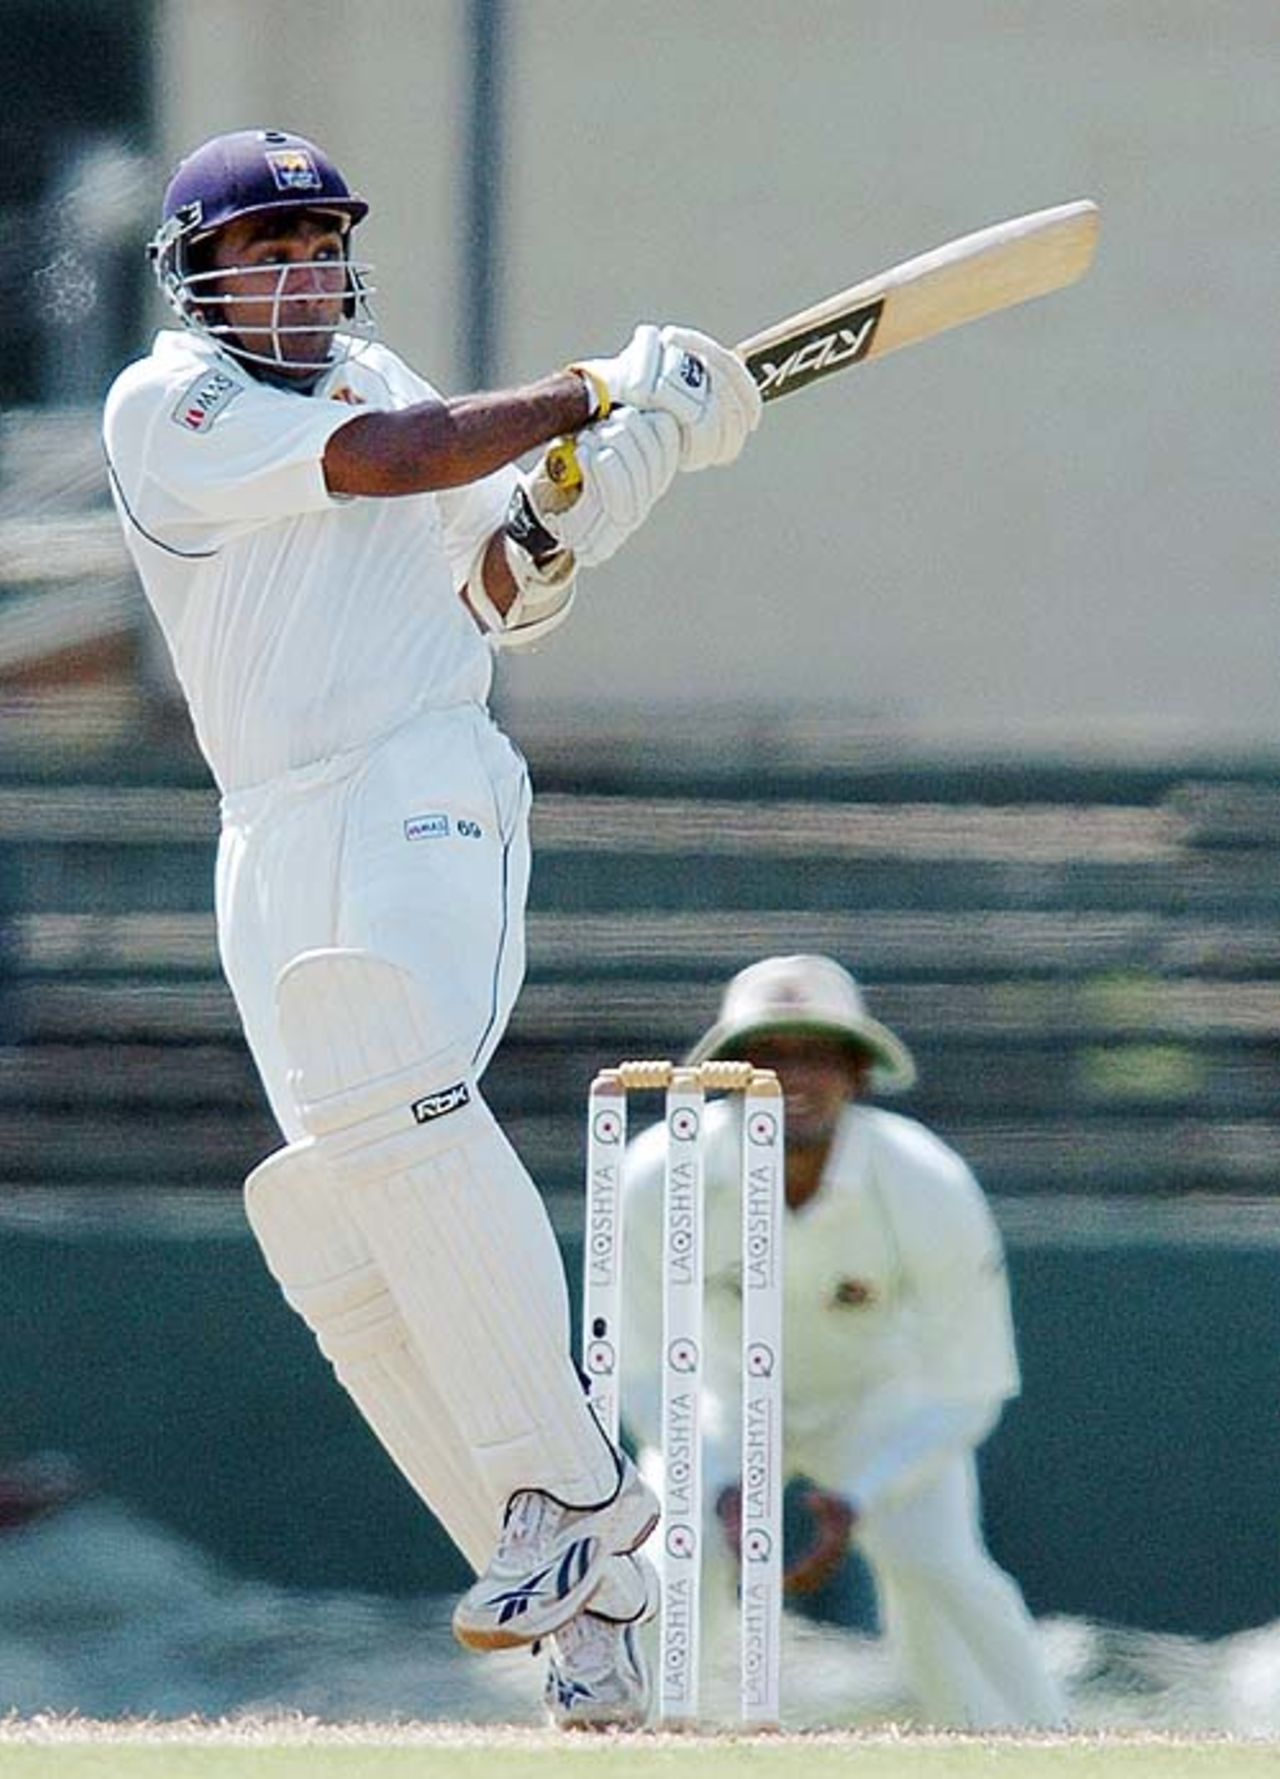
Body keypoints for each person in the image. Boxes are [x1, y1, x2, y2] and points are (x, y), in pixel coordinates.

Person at [102, 127, 761, 1729]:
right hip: (265, 822)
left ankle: (579, 1492)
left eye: (322, 242)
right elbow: (391, 462)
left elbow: (484, 584)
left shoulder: (381, 384)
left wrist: (574, 510)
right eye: (269, 248)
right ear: (201, 274)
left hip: (420, 776)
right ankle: (582, 1600)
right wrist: (592, 397)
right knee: (331, 1214)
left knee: (384, 1067)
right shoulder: (169, 407)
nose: (305, 271)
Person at [618, 954, 1067, 1729]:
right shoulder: (660, 1173)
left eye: (819, 1053)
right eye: (770, 1056)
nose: (795, 1078)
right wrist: (710, 1477)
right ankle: (632, 1735)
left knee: (940, 1567)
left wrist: (863, 1492)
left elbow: (970, 1382)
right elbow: (639, 1363)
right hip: (722, 1402)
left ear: (859, 1071)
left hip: (881, 1408)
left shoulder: (927, 1181)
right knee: (675, 1556)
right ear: (730, 1072)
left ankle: (1034, 1744)